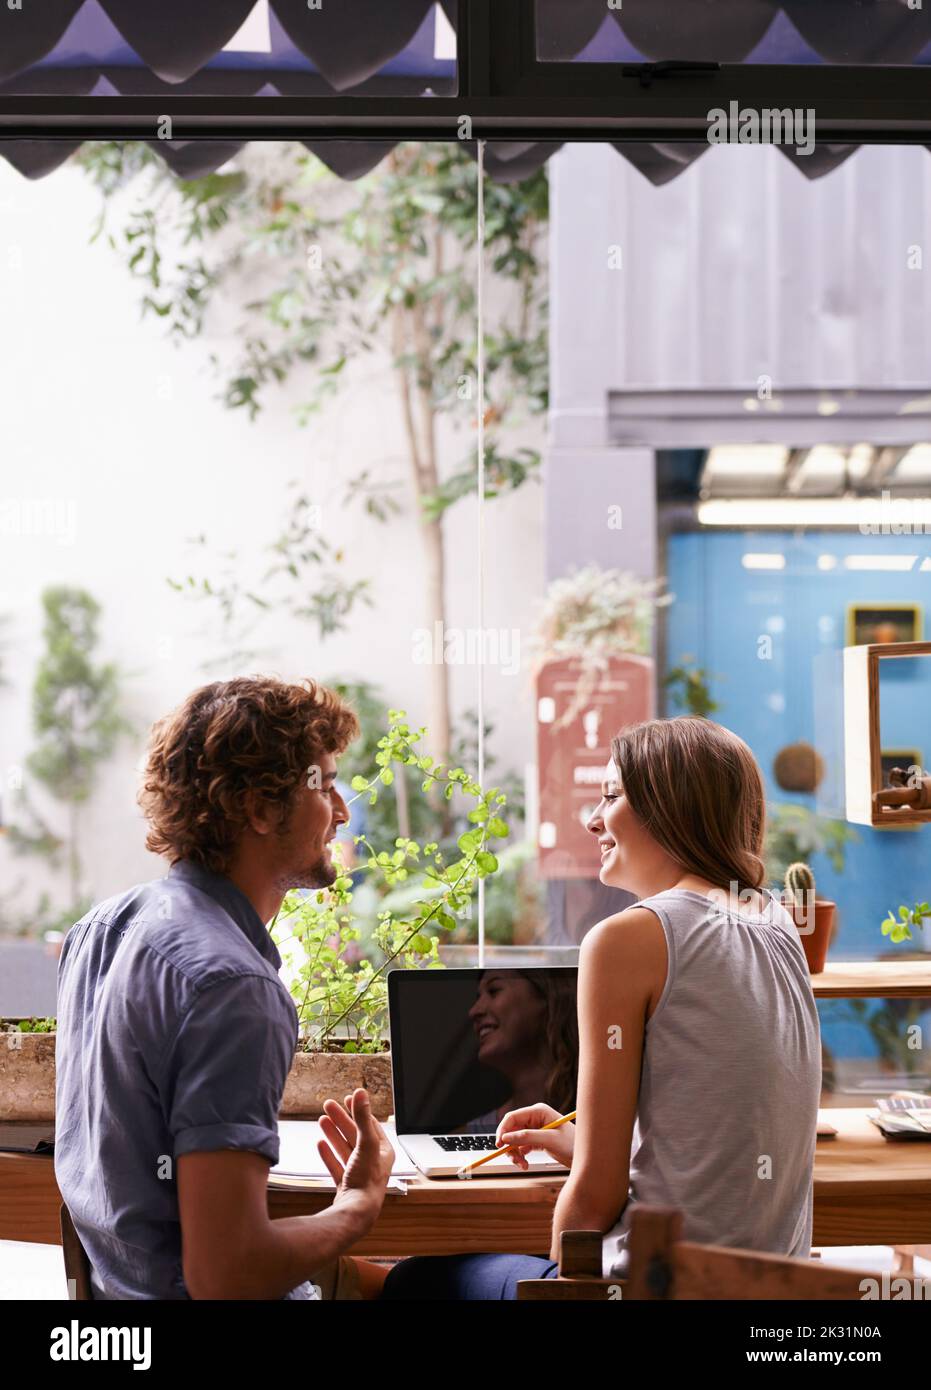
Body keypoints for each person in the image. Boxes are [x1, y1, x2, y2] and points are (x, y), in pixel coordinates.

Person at [380, 716, 822, 1299]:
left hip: (652, 1290)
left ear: (670, 809)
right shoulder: (775, 920)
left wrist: (564, 1282)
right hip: (766, 1294)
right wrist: (577, 1139)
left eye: (612, 796)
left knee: (415, 1280)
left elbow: (595, 1194)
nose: (593, 818)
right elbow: (717, 1124)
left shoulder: (627, 939)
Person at [54, 676, 394, 1300]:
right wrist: (358, 1206)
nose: (343, 811)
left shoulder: (100, 930)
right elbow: (228, 1276)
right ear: (259, 808)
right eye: (323, 786)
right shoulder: (233, 986)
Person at [462, 970, 577, 1132]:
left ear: (547, 997)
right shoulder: (469, 1134)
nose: (474, 1011)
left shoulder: (603, 1113)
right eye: (478, 997)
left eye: (494, 991)